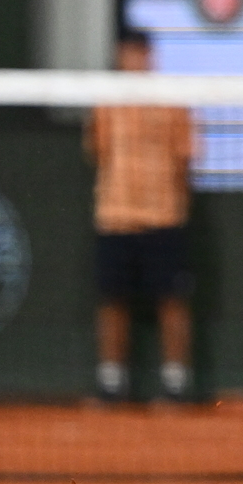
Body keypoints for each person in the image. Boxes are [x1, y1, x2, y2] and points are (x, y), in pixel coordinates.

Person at [87, 33, 197, 401]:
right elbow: (99, 151)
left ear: (150, 55)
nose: (133, 59)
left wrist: (171, 201)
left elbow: (185, 157)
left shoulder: (172, 100)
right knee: (113, 300)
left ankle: (176, 382)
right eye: (126, 53)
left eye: (139, 52)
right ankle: (112, 381)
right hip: (114, 217)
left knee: (171, 300)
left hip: (164, 217)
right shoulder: (106, 101)